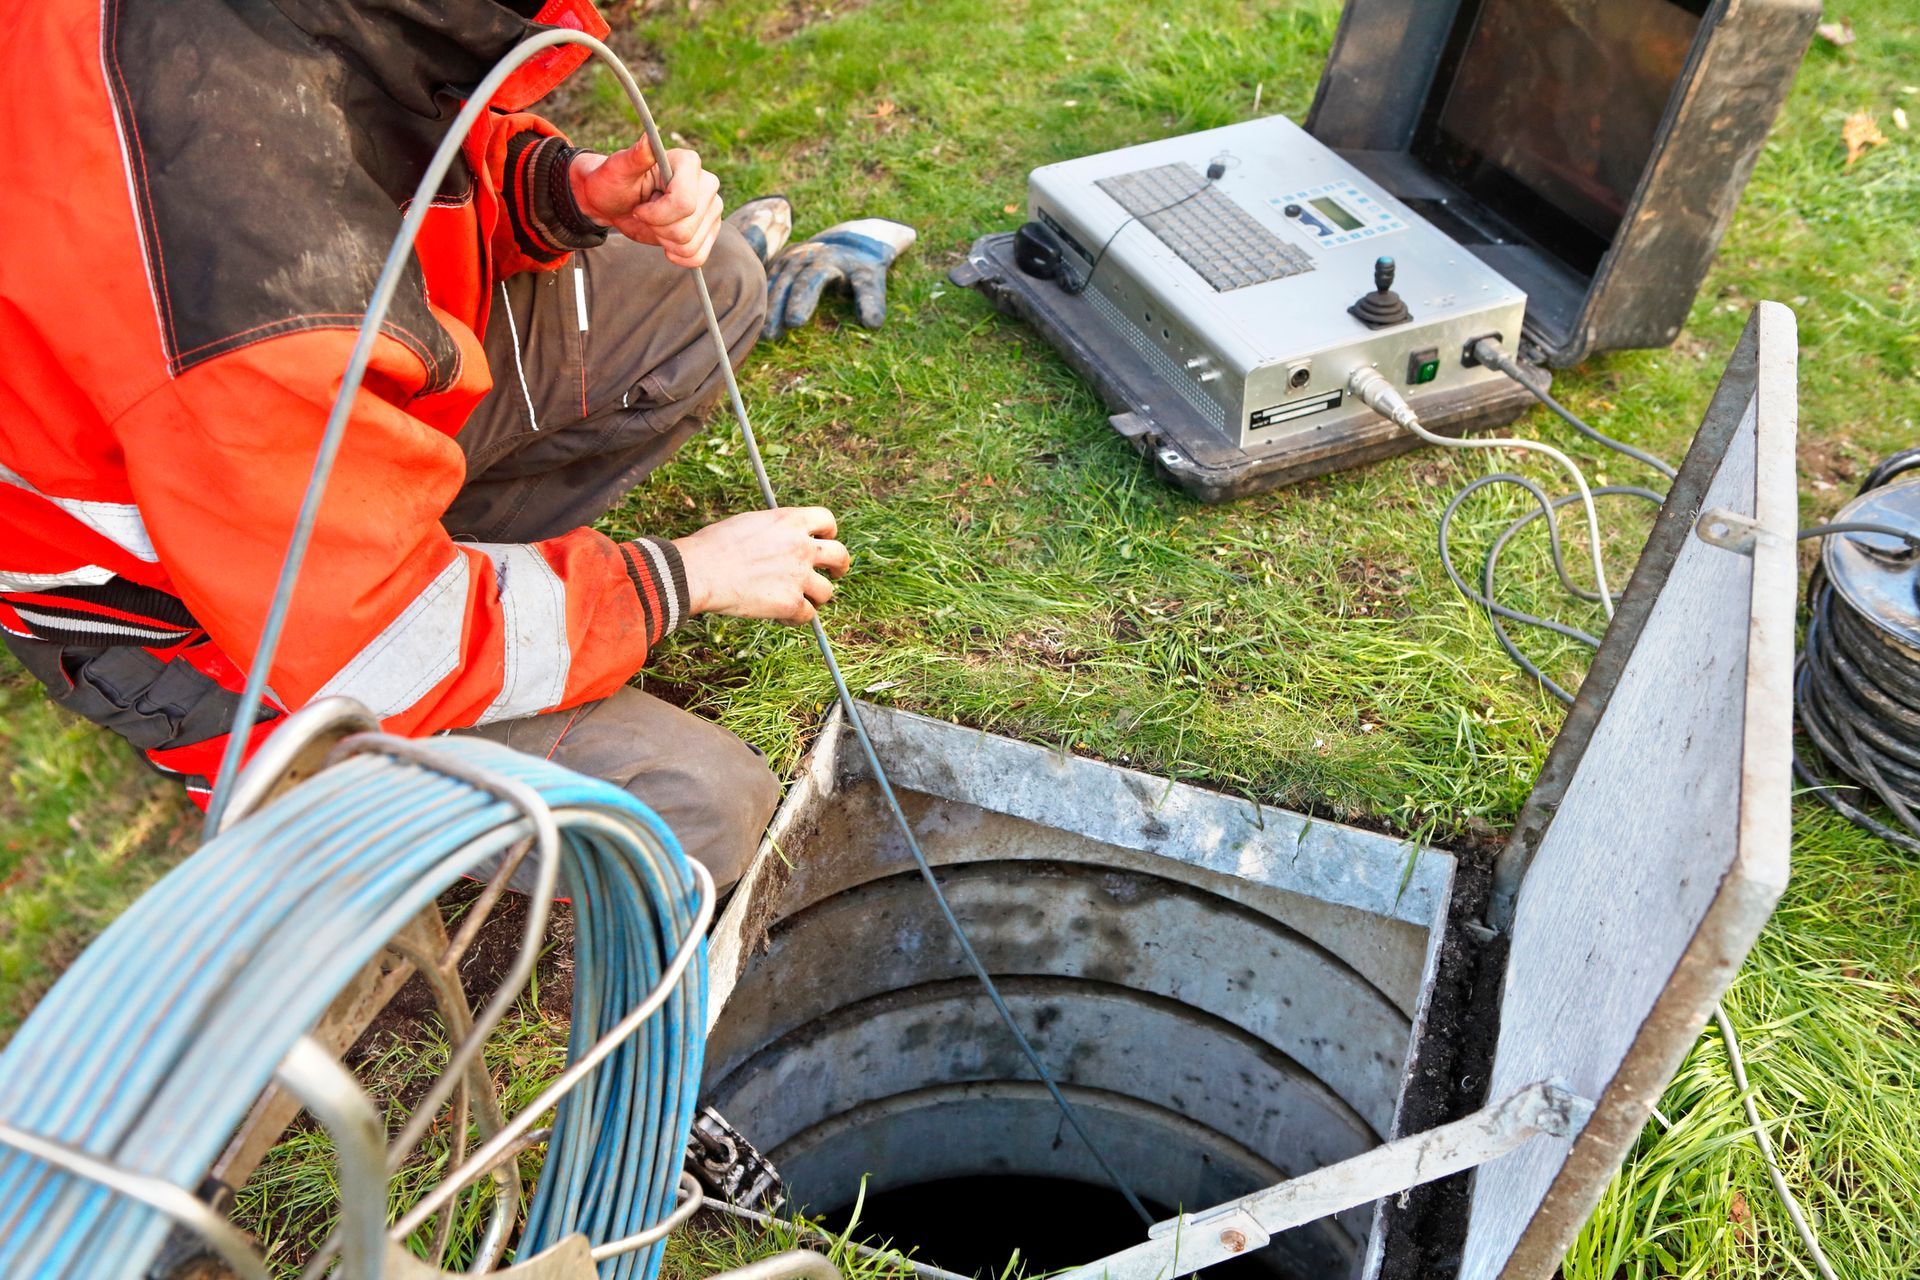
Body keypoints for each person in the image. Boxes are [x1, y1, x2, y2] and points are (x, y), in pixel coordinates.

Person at [0, 0, 912, 891]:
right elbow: (381, 644)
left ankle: (447, 569)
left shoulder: (329, 32)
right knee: (697, 809)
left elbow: (402, 156)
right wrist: (682, 578)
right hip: (205, 608)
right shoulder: (231, 284)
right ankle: (314, 765)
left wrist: (563, 191)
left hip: (312, 455)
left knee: (711, 286)